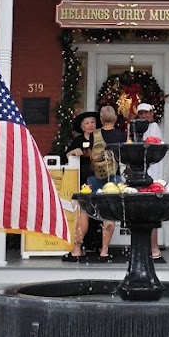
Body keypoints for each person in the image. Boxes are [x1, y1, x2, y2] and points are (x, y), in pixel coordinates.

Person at [89, 104, 123, 261]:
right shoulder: (121, 135)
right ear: (115, 118)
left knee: (86, 210)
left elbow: (91, 156)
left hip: (95, 176)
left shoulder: (94, 135)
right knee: (109, 213)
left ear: (101, 119)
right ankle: (104, 250)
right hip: (114, 177)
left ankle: (78, 248)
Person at [63, 111, 98, 262]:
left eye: (92, 122)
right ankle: (82, 244)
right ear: (82, 127)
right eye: (87, 123)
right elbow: (66, 155)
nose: (90, 125)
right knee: (83, 211)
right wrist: (73, 152)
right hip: (81, 179)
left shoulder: (99, 139)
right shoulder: (77, 140)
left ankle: (96, 245)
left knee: (97, 211)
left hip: (97, 178)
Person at [135, 102, 167, 263]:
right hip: (138, 175)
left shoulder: (154, 127)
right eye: (141, 113)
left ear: (152, 113)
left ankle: (154, 248)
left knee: (151, 212)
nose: (143, 116)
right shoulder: (135, 129)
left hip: (153, 177)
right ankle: (142, 248)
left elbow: (152, 149)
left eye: (146, 113)